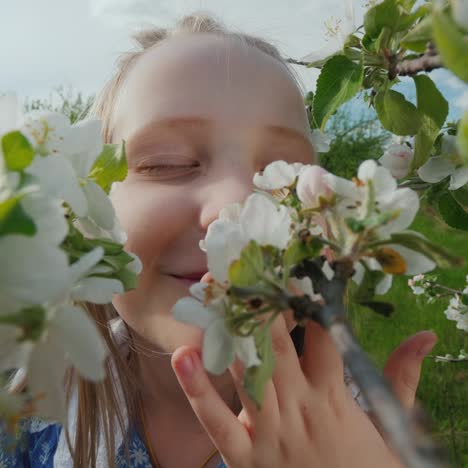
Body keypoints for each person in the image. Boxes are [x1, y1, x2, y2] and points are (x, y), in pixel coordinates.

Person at [2, 12, 437, 468]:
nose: (231, 206)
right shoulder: (28, 419)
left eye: (283, 177)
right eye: (166, 163)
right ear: (83, 206)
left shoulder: (368, 440)